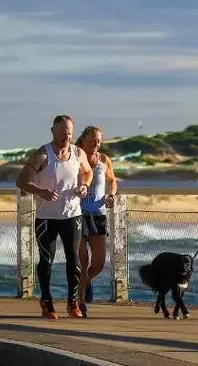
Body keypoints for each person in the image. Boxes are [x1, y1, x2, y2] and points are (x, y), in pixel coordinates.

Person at [15, 114, 94, 320]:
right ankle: (47, 301)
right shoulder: (43, 155)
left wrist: (84, 185)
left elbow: (87, 172)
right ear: (52, 131)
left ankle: (72, 302)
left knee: (74, 261)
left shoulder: (78, 153)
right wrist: (41, 191)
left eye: (69, 133)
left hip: (72, 215)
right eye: (62, 133)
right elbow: (21, 181)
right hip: (46, 218)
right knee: (46, 261)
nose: (66, 137)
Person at [75, 125, 117, 318]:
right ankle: (80, 301)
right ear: (83, 140)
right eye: (92, 140)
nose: (96, 144)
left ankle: (85, 283)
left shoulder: (104, 160)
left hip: (98, 215)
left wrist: (112, 195)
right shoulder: (74, 157)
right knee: (83, 262)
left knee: (98, 263)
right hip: (77, 214)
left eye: (99, 140)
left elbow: (113, 181)